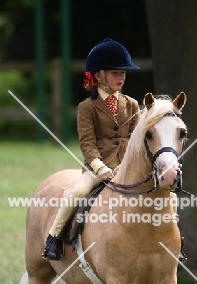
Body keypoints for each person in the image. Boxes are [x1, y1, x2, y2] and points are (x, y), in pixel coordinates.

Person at [42, 38, 141, 260]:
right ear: (98, 76)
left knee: (167, 194)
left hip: (128, 167)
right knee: (76, 193)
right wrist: (100, 167)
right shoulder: (86, 107)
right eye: (115, 73)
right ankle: (54, 238)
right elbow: (87, 142)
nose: (121, 78)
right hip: (99, 168)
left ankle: (176, 241)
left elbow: (137, 140)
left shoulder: (133, 105)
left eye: (123, 73)